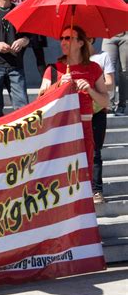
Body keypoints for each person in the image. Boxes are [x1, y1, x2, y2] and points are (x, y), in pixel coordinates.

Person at [39, 26, 109, 187]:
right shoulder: (53, 69)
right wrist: (57, 86)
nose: (63, 42)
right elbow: (40, 103)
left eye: (68, 38)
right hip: (59, 130)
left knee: (84, 176)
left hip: (85, 127)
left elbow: (106, 101)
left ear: (80, 43)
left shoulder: (93, 68)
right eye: (62, 38)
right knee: (61, 177)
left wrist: (90, 90)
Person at [89, 38, 115, 204]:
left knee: (95, 151)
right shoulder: (70, 60)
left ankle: (97, 191)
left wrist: (91, 86)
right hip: (77, 110)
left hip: (98, 109)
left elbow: (111, 84)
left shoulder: (102, 57)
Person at [102, 0, 127, 116]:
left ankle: (123, 104)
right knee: (107, 67)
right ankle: (109, 103)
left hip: (126, 33)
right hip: (109, 32)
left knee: (124, 71)